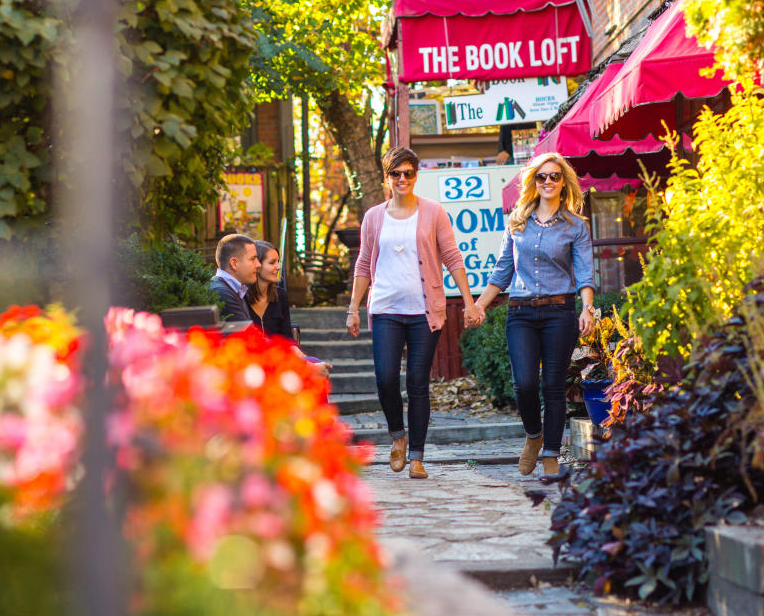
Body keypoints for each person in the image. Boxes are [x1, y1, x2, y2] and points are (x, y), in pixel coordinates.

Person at [347, 146, 484, 480]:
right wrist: (353, 307)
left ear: (416, 175)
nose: (402, 179)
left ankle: (418, 457)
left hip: (425, 311)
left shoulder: (434, 212)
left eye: (408, 173)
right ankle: (398, 435)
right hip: (385, 309)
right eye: (396, 174)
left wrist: (469, 302)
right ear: (387, 177)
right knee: (386, 378)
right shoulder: (373, 217)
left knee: (418, 382)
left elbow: (453, 257)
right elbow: (364, 263)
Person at [471, 153, 595, 477]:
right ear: (534, 183)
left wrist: (588, 308)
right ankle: (533, 436)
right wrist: (479, 306)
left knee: (553, 385)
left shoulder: (575, 227)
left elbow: (584, 273)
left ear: (563, 182)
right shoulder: (516, 222)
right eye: (542, 177)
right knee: (524, 383)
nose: (549, 182)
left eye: (555, 176)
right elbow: (502, 271)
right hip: (521, 312)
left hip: (559, 311)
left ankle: (552, 454)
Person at [246, 240, 330, 377]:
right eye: (272, 263)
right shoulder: (241, 298)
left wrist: (302, 357)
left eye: (278, 261)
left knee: (315, 363)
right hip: (255, 361)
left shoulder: (280, 296)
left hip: (281, 359)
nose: (278, 267)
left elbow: (287, 338)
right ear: (257, 265)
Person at [209, 233, 260, 323]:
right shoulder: (221, 293)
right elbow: (248, 334)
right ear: (234, 263)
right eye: (253, 259)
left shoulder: (235, 288)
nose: (258, 264)